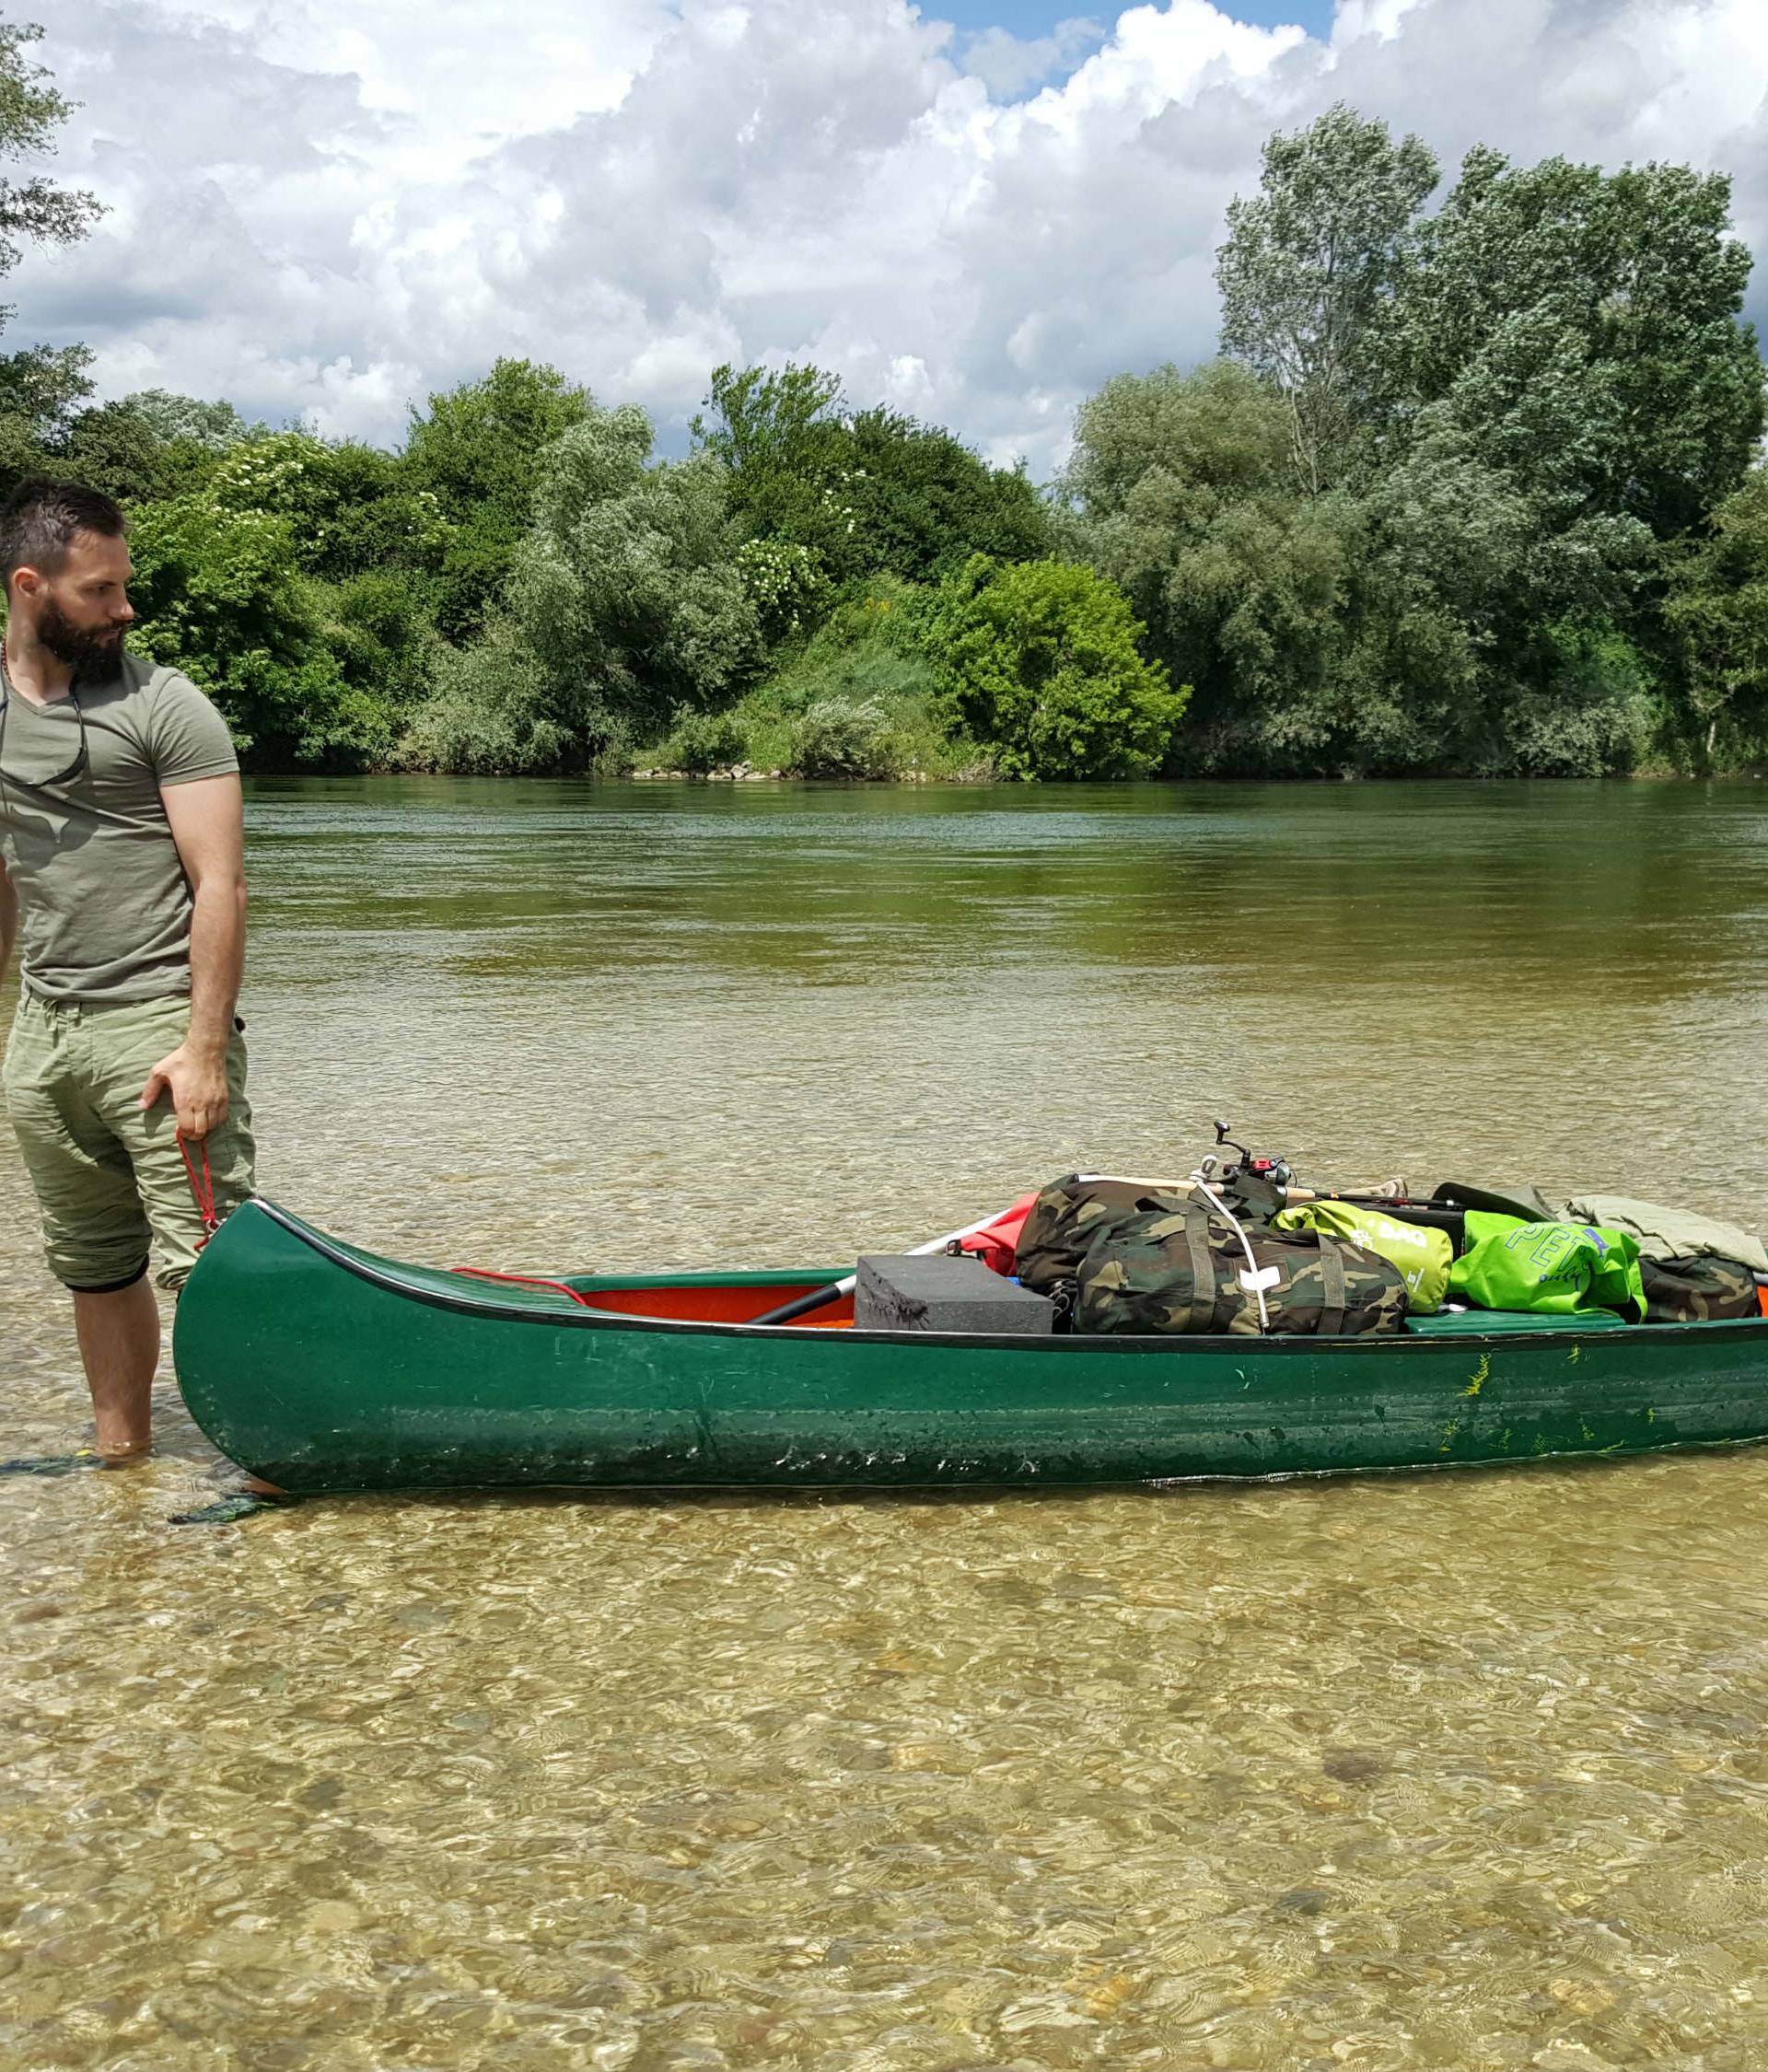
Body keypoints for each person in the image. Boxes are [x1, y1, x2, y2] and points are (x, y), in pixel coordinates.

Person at [0, 479, 254, 1463]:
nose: (125, 609)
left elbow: (221, 884)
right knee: (94, 1271)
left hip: (155, 1028)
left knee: (217, 1273)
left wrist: (202, 1047)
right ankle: (125, 1478)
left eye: (125, 586)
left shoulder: (168, 704)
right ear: (32, 587)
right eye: (101, 591)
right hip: (43, 1037)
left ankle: (269, 1475)